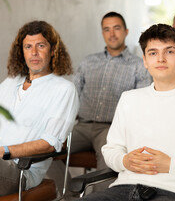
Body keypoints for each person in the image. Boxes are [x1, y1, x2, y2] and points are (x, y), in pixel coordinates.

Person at [80, 24, 175, 201]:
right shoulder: (129, 99)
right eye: (153, 53)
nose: (161, 59)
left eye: (169, 52)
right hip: (121, 189)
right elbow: (111, 150)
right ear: (145, 61)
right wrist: (124, 161)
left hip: (171, 192)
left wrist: (171, 165)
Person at [0, 21, 79, 196]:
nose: (34, 52)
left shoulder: (64, 89)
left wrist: (0, 151)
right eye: (28, 47)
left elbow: (49, 144)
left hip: (19, 172)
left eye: (40, 45)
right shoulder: (8, 83)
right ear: (22, 52)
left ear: (52, 50)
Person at [48, 12, 152, 193]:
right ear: (102, 33)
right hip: (81, 127)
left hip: (110, 129)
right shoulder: (89, 62)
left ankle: (97, 198)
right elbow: (72, 96)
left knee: (108, 161)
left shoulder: (138, 65)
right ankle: (70, 195)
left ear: (126, 31)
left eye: (117, 28)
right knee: (45, 150)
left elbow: (140, 106)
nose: (112, 34)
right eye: (107, 29)